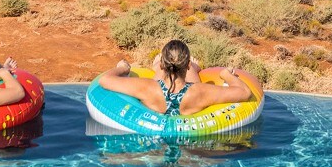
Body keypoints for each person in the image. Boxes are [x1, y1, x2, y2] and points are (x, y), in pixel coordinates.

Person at [97, 39, 253, 116]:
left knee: (160, 80)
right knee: (189, 81)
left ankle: (157, 63)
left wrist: (123, 68)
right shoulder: (201, 91)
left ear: (162, 66)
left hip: (154, 144)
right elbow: (245, 92)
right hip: (191, 147)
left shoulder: (146, 87)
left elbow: (104, 80)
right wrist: (225, 74)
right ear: (186, 66)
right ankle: (193, 67)